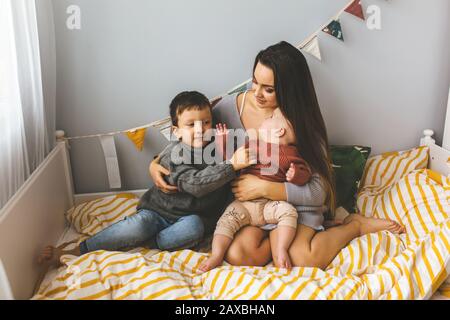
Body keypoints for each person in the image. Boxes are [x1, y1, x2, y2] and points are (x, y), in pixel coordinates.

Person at [150, 41, 405, 270]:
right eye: (254, 82)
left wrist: (265, 188)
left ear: (288, 90)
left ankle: (355, 225)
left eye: (268, 89)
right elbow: (190, 134)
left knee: (304, 258)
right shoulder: (228, 109)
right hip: (254, 210)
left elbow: (320, 191)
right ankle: (276, 242)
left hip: (296, 207)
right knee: (239, 253)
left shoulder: (297, 124)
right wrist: (156, 163)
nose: (257, 93)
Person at [38, 91, 252, 267]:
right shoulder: (174, 154)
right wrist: (231, 165)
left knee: (194, 226)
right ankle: (79, 249)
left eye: (206, 122)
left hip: (191, 218)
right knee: (139, 225)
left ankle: (154, 241)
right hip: (158, 212)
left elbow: (226, 177)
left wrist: (227, 157)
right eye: (191, 124)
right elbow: (194, 184)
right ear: (176, 131)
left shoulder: (219, 149)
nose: (200, 129)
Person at [199, 108, 312, 271]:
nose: (267, 116)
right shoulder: (252, 145)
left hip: (270, 205)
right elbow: (232, 160)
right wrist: (223, 142)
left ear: (279, 131)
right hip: (244, 204)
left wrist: (296, 175)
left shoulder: (291, 154)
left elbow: (305, 173)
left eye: (272, 116)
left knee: (289, 212)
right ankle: (216, 254)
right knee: (225, 221)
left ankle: (281, 249)